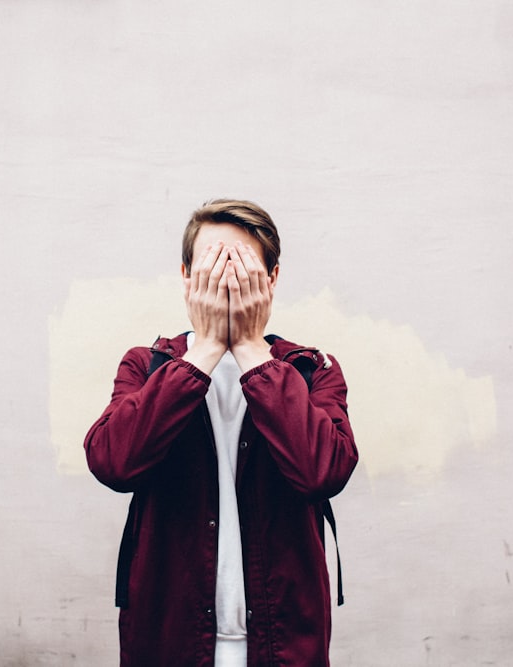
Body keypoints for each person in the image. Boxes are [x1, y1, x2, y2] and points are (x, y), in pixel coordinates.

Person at [84, 199, 358, 666]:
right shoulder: (146, 366)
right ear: (187, 276)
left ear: (271, 280)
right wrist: (205, 349)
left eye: (243, 268)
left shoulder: (312, 371)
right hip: (170, 643)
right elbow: (112, 462)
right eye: (212, 266)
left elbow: (323, 473)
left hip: (282, 645)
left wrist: (252, 347)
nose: (225, 280)